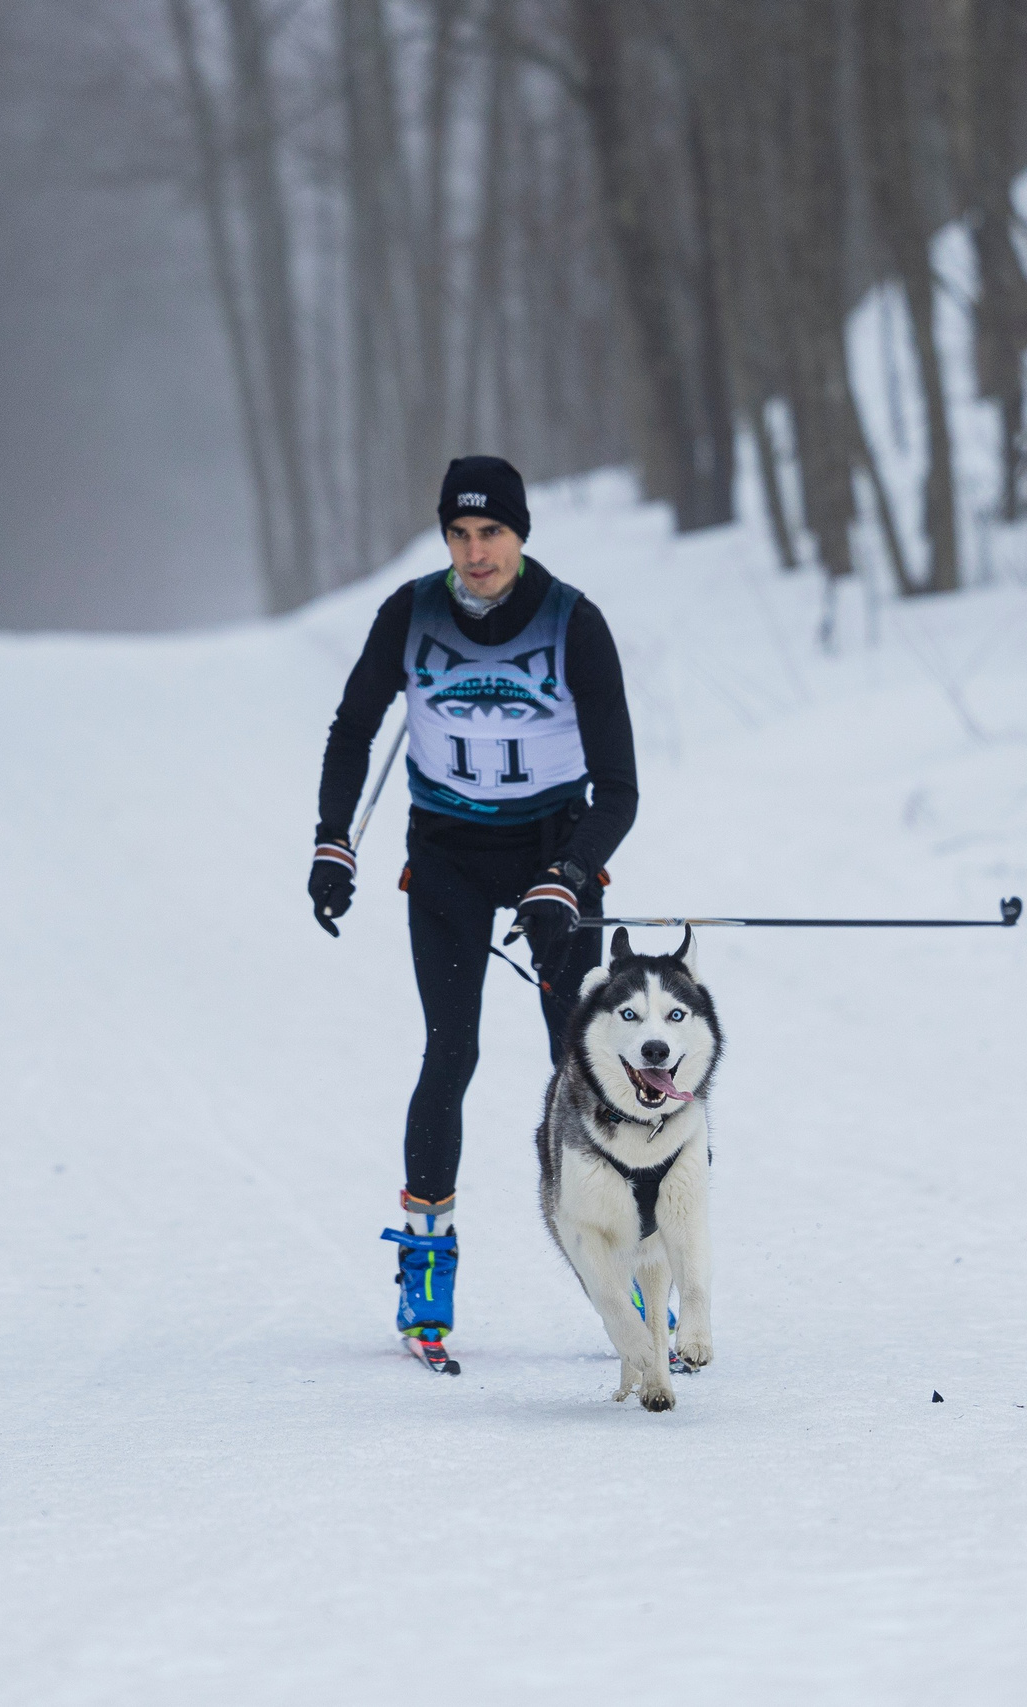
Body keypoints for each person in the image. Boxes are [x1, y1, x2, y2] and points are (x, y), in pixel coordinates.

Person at [308, 455, 639, 1368]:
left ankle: (625, 1265)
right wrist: (334, 838)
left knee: (581, 1065)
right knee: (450, 1052)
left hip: (551, 852)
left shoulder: (574, 623)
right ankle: (425, 1269)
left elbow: (619, 788)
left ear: (520, 534)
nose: (475, 552)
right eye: (458, 533)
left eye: (491, 532)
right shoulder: (410, 612)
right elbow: (353, 728)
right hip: (448, 856)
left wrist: (568, 874)